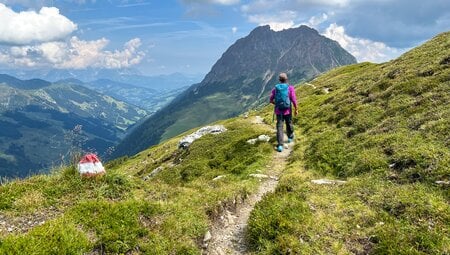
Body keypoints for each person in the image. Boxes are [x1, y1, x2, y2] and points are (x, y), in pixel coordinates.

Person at [270, 72, 298, 152]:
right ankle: (290, 138)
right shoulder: (290, 88)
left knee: (279, 127)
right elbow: (293, 99)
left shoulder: (275, 89)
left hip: (279, 111)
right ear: (286, 79)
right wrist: (296, 109)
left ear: (279, 80)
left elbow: (271, 100)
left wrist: (277, 104)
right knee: (289, 123)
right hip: (288, 110)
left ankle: (280, 145)